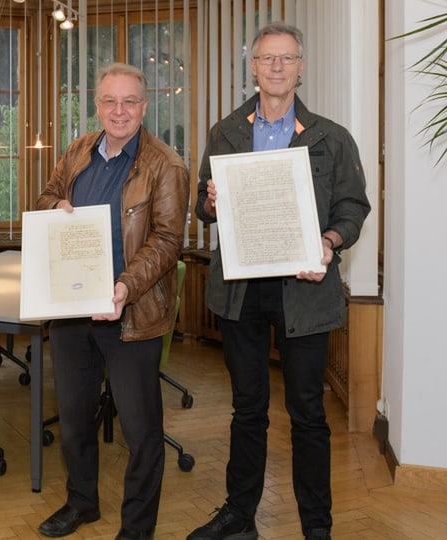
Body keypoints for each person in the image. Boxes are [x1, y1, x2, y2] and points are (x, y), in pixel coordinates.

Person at [186, 22, 371, 540]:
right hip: (241, 290)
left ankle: (317, 527)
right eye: (267, 59)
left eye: (287, 59)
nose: (276, 67)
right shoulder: (225, 131)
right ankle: (239, 516)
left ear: (301, 68)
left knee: (307, 414)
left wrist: (330, 242)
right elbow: (204, 206)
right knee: (247, 410)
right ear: (252, 65)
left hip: (306, 292)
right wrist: (211, 201)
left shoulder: (331, 137)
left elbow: (353, 207)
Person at [36, 63, 189, 540]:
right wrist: (52, 208)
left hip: (132, 313)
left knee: (141, 432)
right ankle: (82, 502)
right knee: (76, 418)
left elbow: (166, 241)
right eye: (109, 101)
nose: (119, 111)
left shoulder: (167, 165)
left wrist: (124, 288)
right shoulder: (78, 150)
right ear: (97, 105)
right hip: (71, 311)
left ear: (144, 107)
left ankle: (136, 529)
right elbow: (44, 198)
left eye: (129, 102)